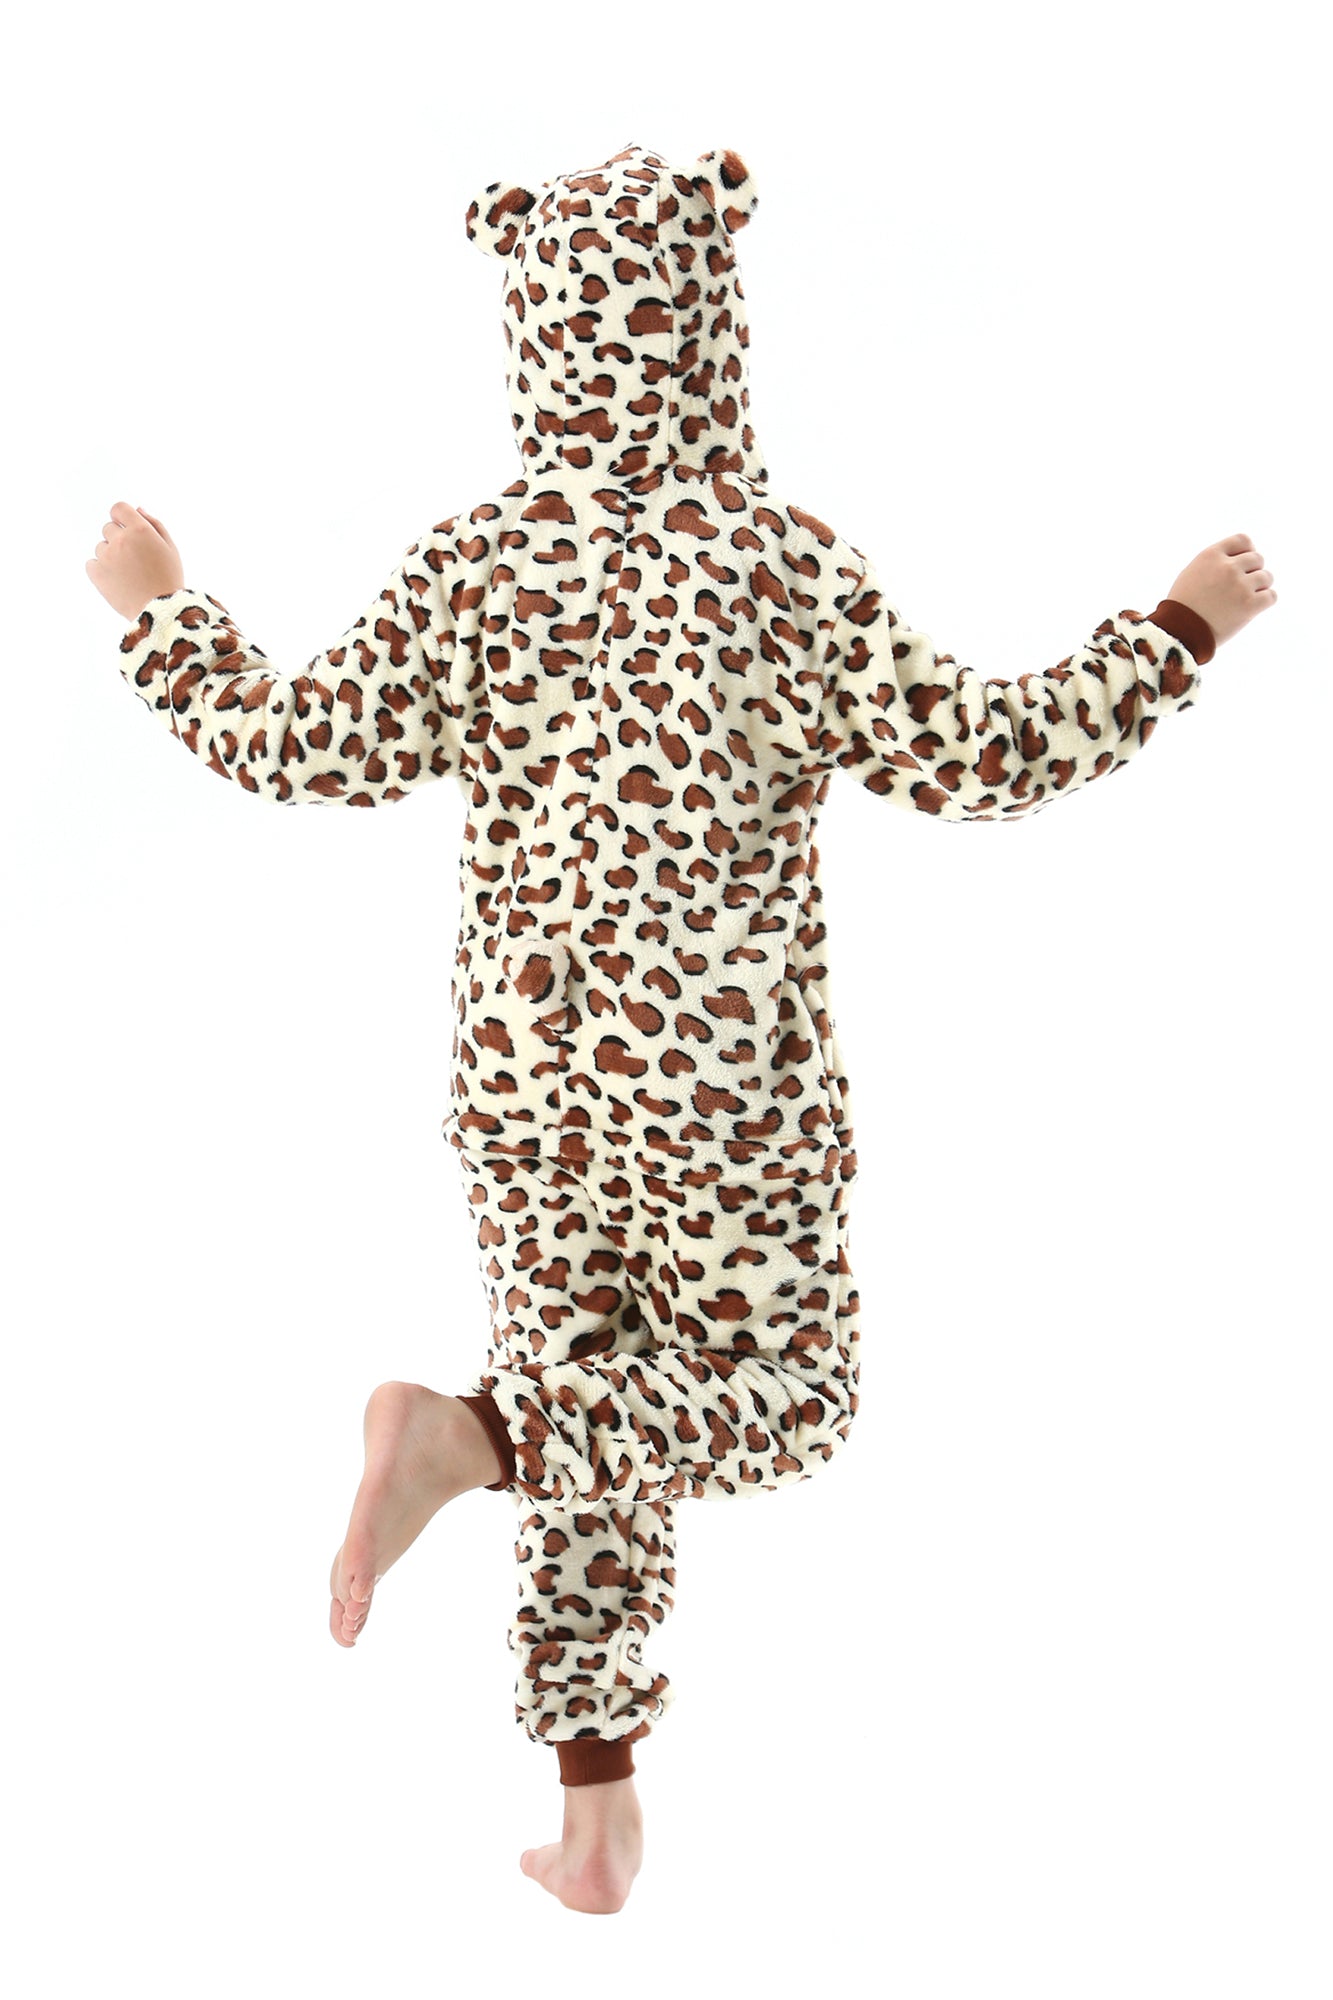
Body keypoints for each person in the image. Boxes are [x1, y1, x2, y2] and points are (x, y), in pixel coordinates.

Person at [85, 137, 1276, 1915]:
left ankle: (593, 1814)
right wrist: (1180, 625)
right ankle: (465, 1445)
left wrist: (162, 612)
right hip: (721, 1095)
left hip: (522, 1086)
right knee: (786, 1403)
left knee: (595, 1399)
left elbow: (297, 747)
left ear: (533, 334)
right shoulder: (772, 564)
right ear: (714, 320)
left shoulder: (480, 562)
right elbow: (982, 756)